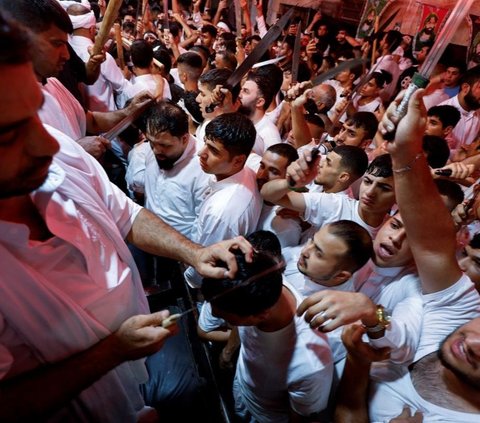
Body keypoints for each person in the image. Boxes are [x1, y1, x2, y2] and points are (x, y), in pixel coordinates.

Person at [0, 12, 252, 422]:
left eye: (36, 113)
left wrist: (193, 253)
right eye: (9, 133)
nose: (47, 143)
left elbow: (126, 215)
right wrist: (110, 352)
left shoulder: (60, 151)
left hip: (139, 362)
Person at [334, 80, 480, 423]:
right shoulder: (459, 314)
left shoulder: (413, 290)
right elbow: (430, 243)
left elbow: (396, 334)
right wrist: (405, 148)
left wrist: (374, 316)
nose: (475, 343)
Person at [202, 251, 333, 422]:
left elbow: (300, 418)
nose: (213, 313)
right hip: (243, 388)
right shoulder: (259, 281)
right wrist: (228, 351)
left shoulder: (310, 363)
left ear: (261, 315)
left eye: (228, 318)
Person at [185, 113, 262, 287]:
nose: (201, 153)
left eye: (213, 150)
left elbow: (207, 263)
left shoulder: (222, 211)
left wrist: (190, 281)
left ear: (238, 161)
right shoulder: (245, 171)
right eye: (205, 143)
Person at [126, 100, 209, 239]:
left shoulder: (203, 167)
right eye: (151, 142)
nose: (156, 150)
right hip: (148, 236)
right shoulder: (153, 147)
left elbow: (201, 223)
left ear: (184, 139)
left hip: (178, 249)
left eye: (164, 145)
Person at [261, 153, 396, 238]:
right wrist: (289, 182)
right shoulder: (336, 205)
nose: (370, 192)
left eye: (384, 188)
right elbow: (268, 194)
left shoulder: (395, 231)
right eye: (367, 181)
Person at [255, 144, 300, 248]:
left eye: (274, 172)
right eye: (262, 166)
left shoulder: (285, 226)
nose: (262, 175)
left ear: (288, 177)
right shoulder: (251, 182)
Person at [238, 67, 283, 150]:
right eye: (241, 90)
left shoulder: (269, 135)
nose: (239, 95)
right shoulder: (241, 121)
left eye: (246, 91)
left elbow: (274, 162)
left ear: (260, 102)